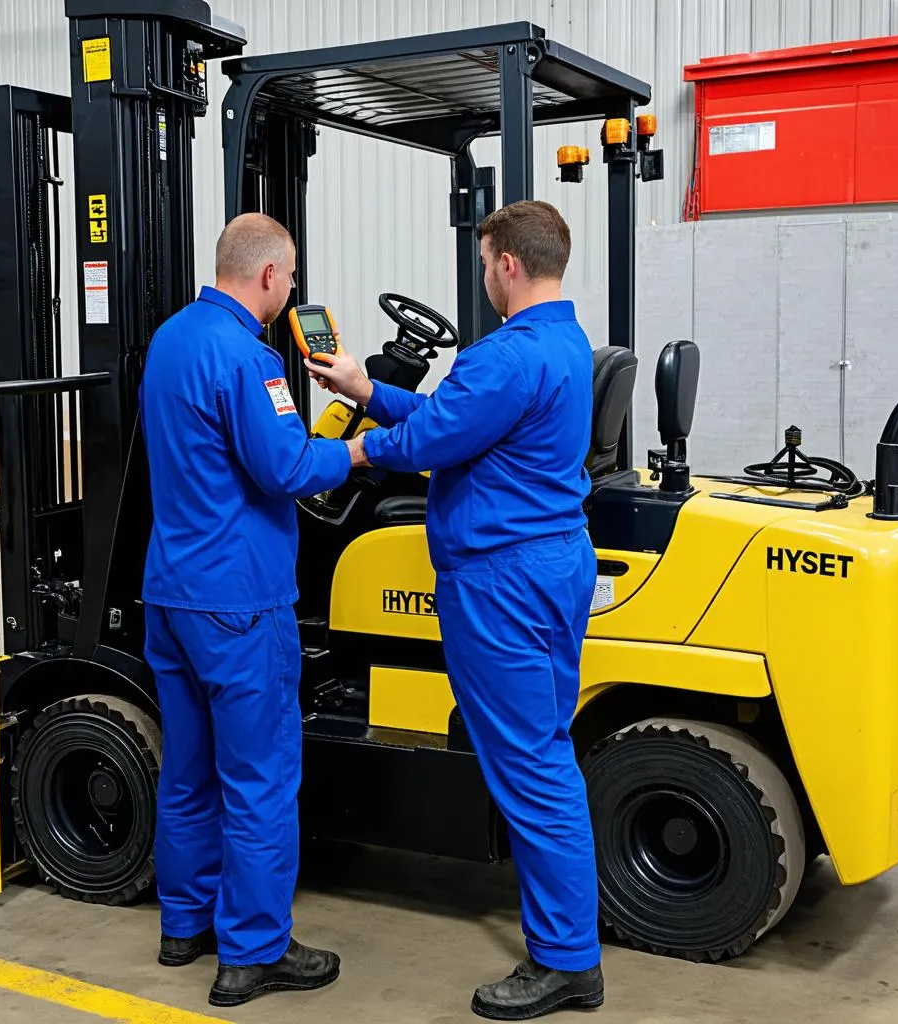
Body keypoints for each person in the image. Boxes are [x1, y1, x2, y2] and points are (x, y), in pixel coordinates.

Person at [307, 200, 603, 1021]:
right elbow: (456, 421)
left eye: (483, 263)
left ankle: (568, 961)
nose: (483, 276)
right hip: (548, 563)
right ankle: (570, 946)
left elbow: (432, 442)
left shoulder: (505, 356)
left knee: (534, 768)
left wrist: (350, 446)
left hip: (501, 579)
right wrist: (368, 390)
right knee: (543, 751)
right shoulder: (562, 342)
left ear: (506, 261)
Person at [138, 212, 363, 1008]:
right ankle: (255, 951)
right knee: (261, 778)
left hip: (171, 596)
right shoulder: (252, 358)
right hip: (240, 602)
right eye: (291, 276)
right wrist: (360, 448)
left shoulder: (170, 339)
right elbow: (287, 468)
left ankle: (185, 925)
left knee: (189, 770)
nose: (293, 289)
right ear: (268, 276)